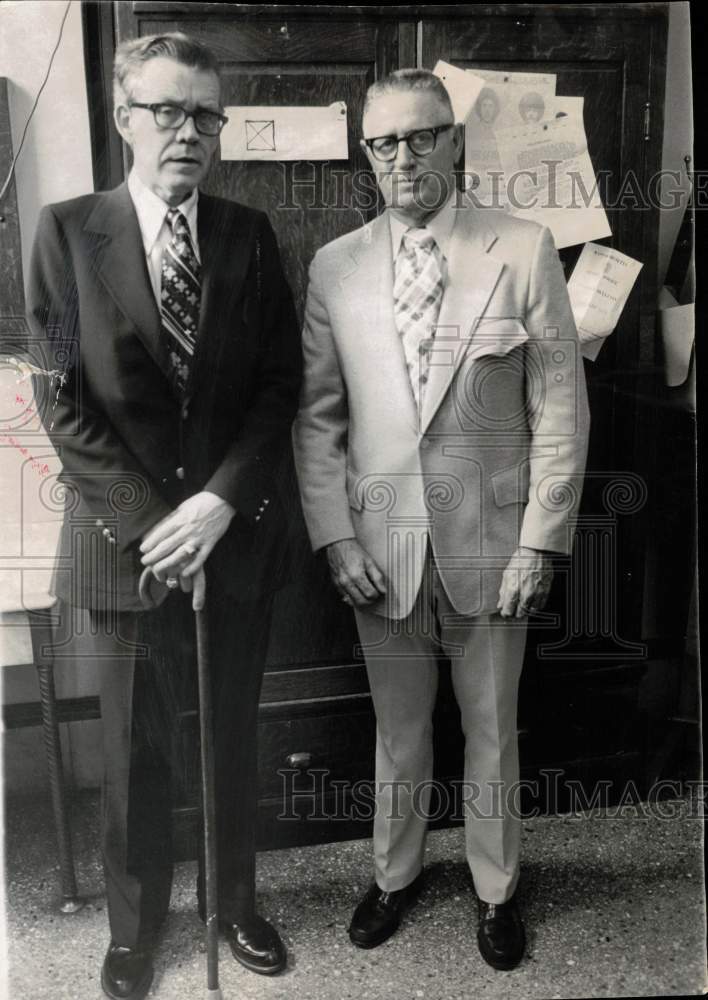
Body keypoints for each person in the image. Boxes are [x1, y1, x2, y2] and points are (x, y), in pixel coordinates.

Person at [293, 69, 589, 971]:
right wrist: (335, 535)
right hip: (379, 549)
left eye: (421, 136)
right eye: (383, 142)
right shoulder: (334, 266)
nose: (402, 157)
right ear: (366, 154)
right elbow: (318, 418)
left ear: (454, 140)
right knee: (399, 730)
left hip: (495, 547)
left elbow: (560, 405)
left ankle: (496, 890)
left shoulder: (524, 246)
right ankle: (395, 873)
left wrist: (542, 539)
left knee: (493, 728)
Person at [26, 32, 301, 999]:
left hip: (231, 537)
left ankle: (234, 903)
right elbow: (60, 398)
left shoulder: (248, 235)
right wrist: (156, 523)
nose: (190, 132)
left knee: (230, 730)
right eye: (168, 111)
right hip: (123, 544)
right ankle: (134, 931)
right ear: (123, 118)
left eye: (206, 114)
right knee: (137, 751)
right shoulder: (64, 234)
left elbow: (278, 389)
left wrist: (218, 502)